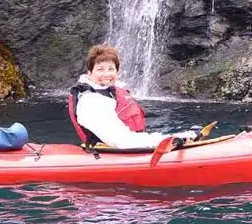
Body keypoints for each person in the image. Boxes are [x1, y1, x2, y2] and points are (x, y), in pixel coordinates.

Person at [66, 44, 199, 149]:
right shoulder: (91, 101)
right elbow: (121, 140)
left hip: (125, 147)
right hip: (112, 152)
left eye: (111, 69)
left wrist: (172, 137)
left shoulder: (110, 93)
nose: (106, 74)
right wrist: (170, 139)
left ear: (117, 72)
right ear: (89, 73)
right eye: (100, 69)